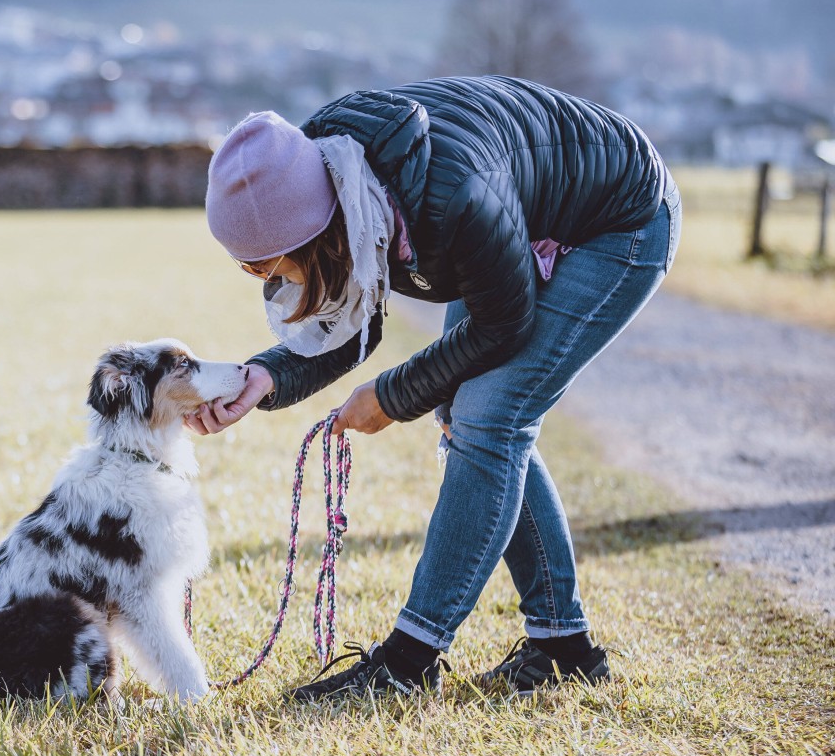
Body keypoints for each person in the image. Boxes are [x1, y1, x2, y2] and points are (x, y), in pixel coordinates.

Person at [190, 76, 680, 701]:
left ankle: (408, 662)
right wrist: (265, 377)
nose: (259, 278)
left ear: (311, 234)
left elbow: (504, 324)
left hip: (620, 218)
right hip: (519, 215)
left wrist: (390, 398)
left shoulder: (449, 197)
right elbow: (349, 313)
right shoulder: (322, 176)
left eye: (261, 264)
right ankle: (563, 648)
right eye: (245, 265)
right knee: (459, 404)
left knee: (489, 415)